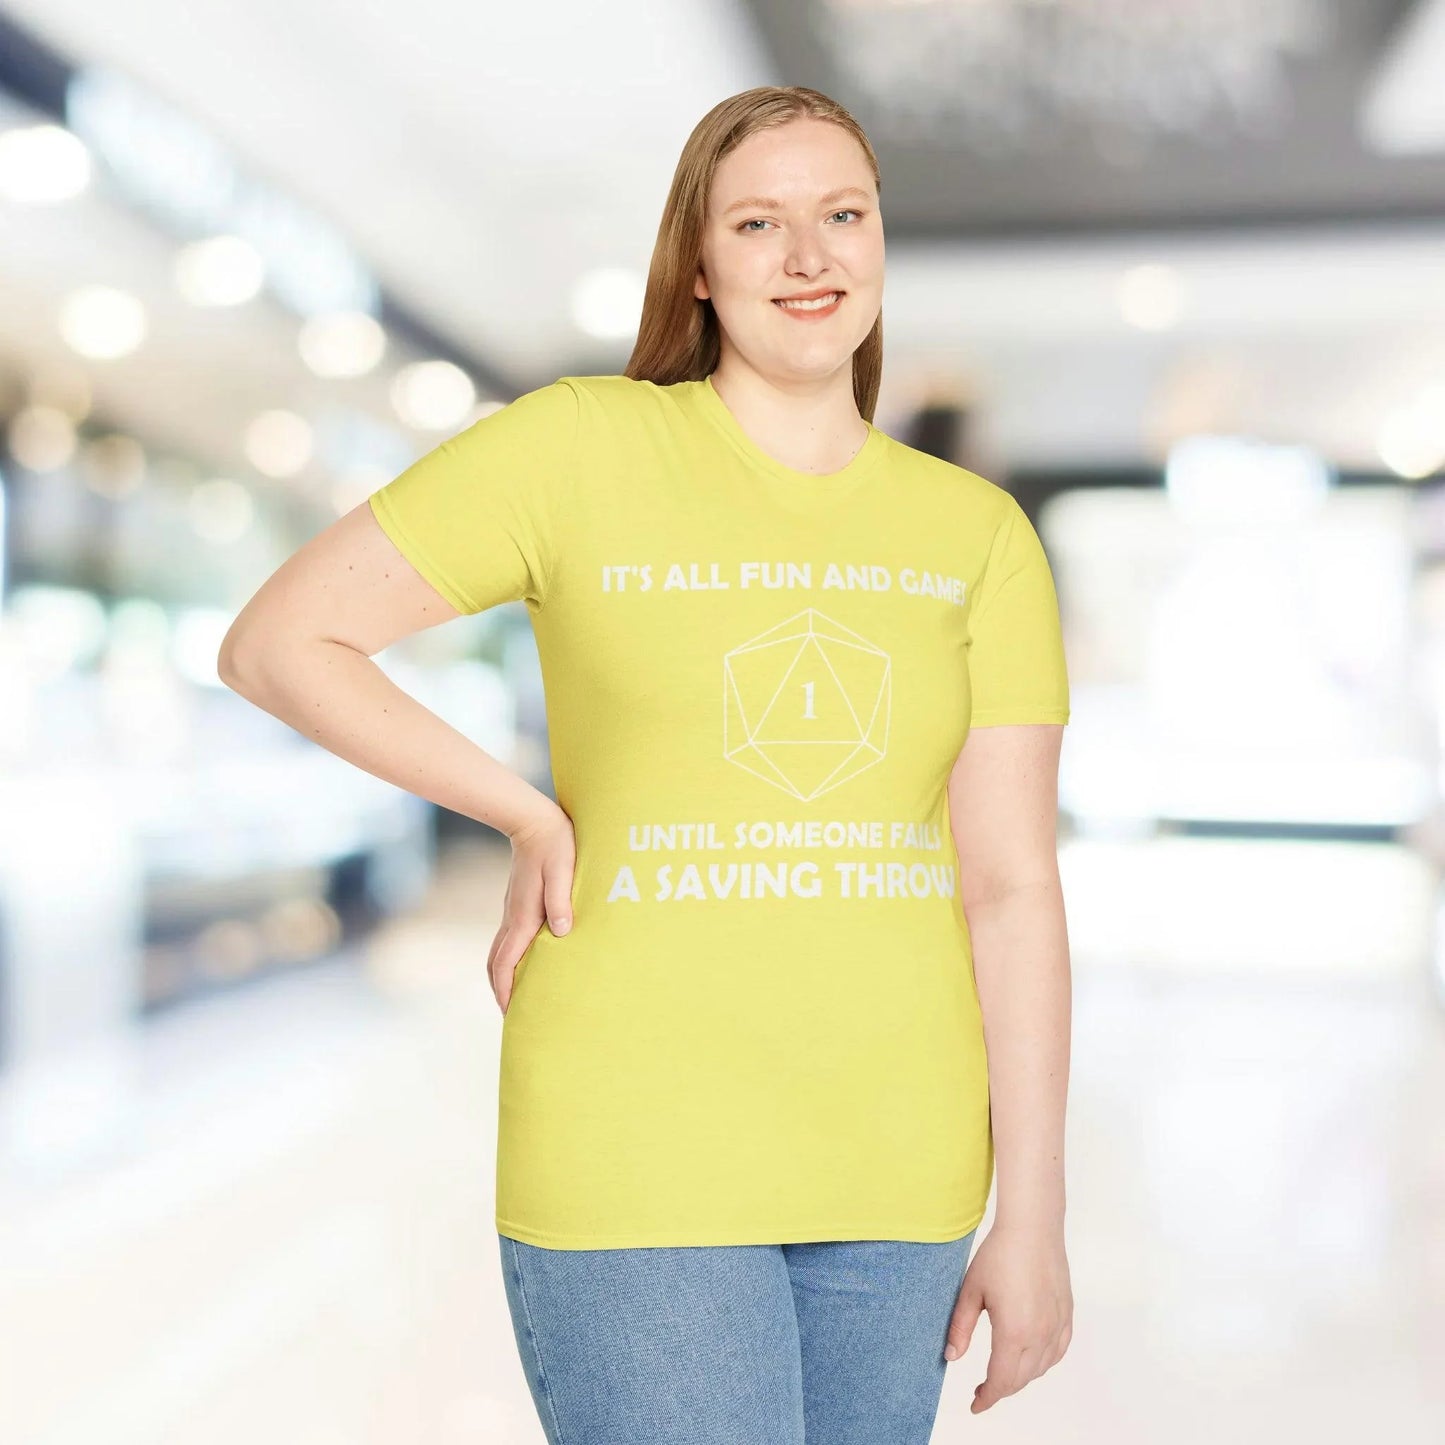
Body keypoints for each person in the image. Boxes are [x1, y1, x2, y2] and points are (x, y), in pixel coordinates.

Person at [219, 83, 1073, 1444]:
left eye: (841, 214)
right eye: (759, 221)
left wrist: (1031, 1215)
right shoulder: (579, 448)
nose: (808, 256)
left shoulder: (974, 535)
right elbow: (281, 639)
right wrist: (522, 810)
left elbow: (1010, 887)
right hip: (636, 1143)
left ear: (878, 242)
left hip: (899, 1162)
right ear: (700, 264)